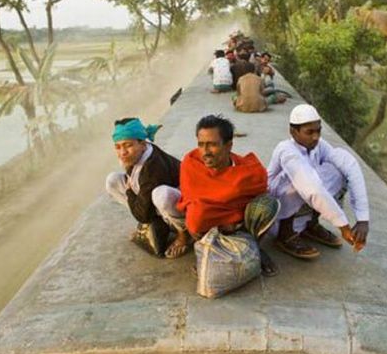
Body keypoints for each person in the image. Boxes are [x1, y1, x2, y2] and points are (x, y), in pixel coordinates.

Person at [177, 115, 279, 275]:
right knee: (192, 213)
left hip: (238, 226)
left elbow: (258, 197)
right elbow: (190, 199)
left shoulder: (249, 171)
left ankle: (254, 247)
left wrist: (233, 222)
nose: (205, 152)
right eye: (201, 145)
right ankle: (204, 248)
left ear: (229, 145)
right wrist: (223, 221)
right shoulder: (191, 163)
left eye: (212, 145)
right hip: (207, 225)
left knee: (268, 205)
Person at [267, 104, 369, 259]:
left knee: (337, 171)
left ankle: (310, 224)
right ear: (293, 132)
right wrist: (343, 225)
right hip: (275, 210)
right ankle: (285, 234)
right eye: (309, 132)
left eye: (318, 131)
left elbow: (350, 166)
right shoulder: (287, 151)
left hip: (303, 199)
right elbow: (312, 188)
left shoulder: (318, 145)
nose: (315, 137)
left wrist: (363, 219)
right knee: (299, 180)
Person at [105, 117, 190, 258]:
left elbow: (143, 216)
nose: (122, 152)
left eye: (127, 145)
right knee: (112, 181)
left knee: (161, 195)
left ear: (143, 144)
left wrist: (129, 192)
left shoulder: (153, 168)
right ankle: (158, 222)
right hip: (150, 193)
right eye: (118, 147)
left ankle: (184, 232)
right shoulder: (137, 152)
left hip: (184, 203)